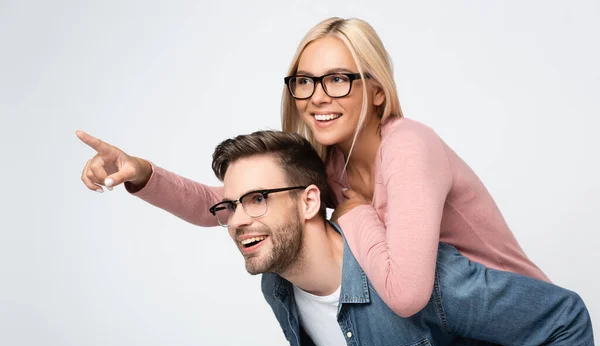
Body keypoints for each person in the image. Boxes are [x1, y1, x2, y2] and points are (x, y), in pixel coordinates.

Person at [77, 17, 550, 323]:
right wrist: (139, 171)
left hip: (521, 322)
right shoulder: (329, 164)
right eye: (305, 81)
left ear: (377, 90)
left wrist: (353, 213)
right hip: (455, 337)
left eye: (338, 79)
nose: (317, 96)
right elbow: (223, 205)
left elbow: (406, 293)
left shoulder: (408, 146)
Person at [209, 129, 598, 346]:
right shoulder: (277, 287)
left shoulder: (409, 274)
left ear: (310, 201)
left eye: (258, 198)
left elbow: (563, 316)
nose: (238, 219)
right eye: (230, 205)